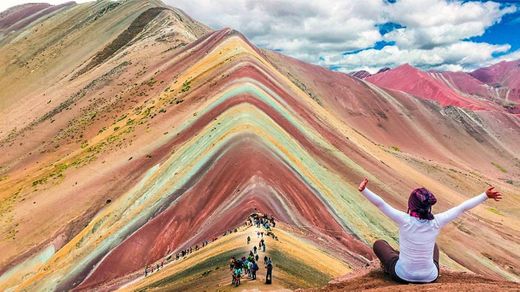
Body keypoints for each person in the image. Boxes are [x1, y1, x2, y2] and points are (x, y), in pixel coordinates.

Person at [358, 178, 502, 284]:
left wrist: (364, 190)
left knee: (380, 244)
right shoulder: (436, 222)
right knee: (433, 246)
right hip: (430, 276)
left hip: (402, 275)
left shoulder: (404, 220)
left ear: (411, 205)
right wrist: (485, 196)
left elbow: (380, 204)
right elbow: (462, 208)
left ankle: (390, 266)